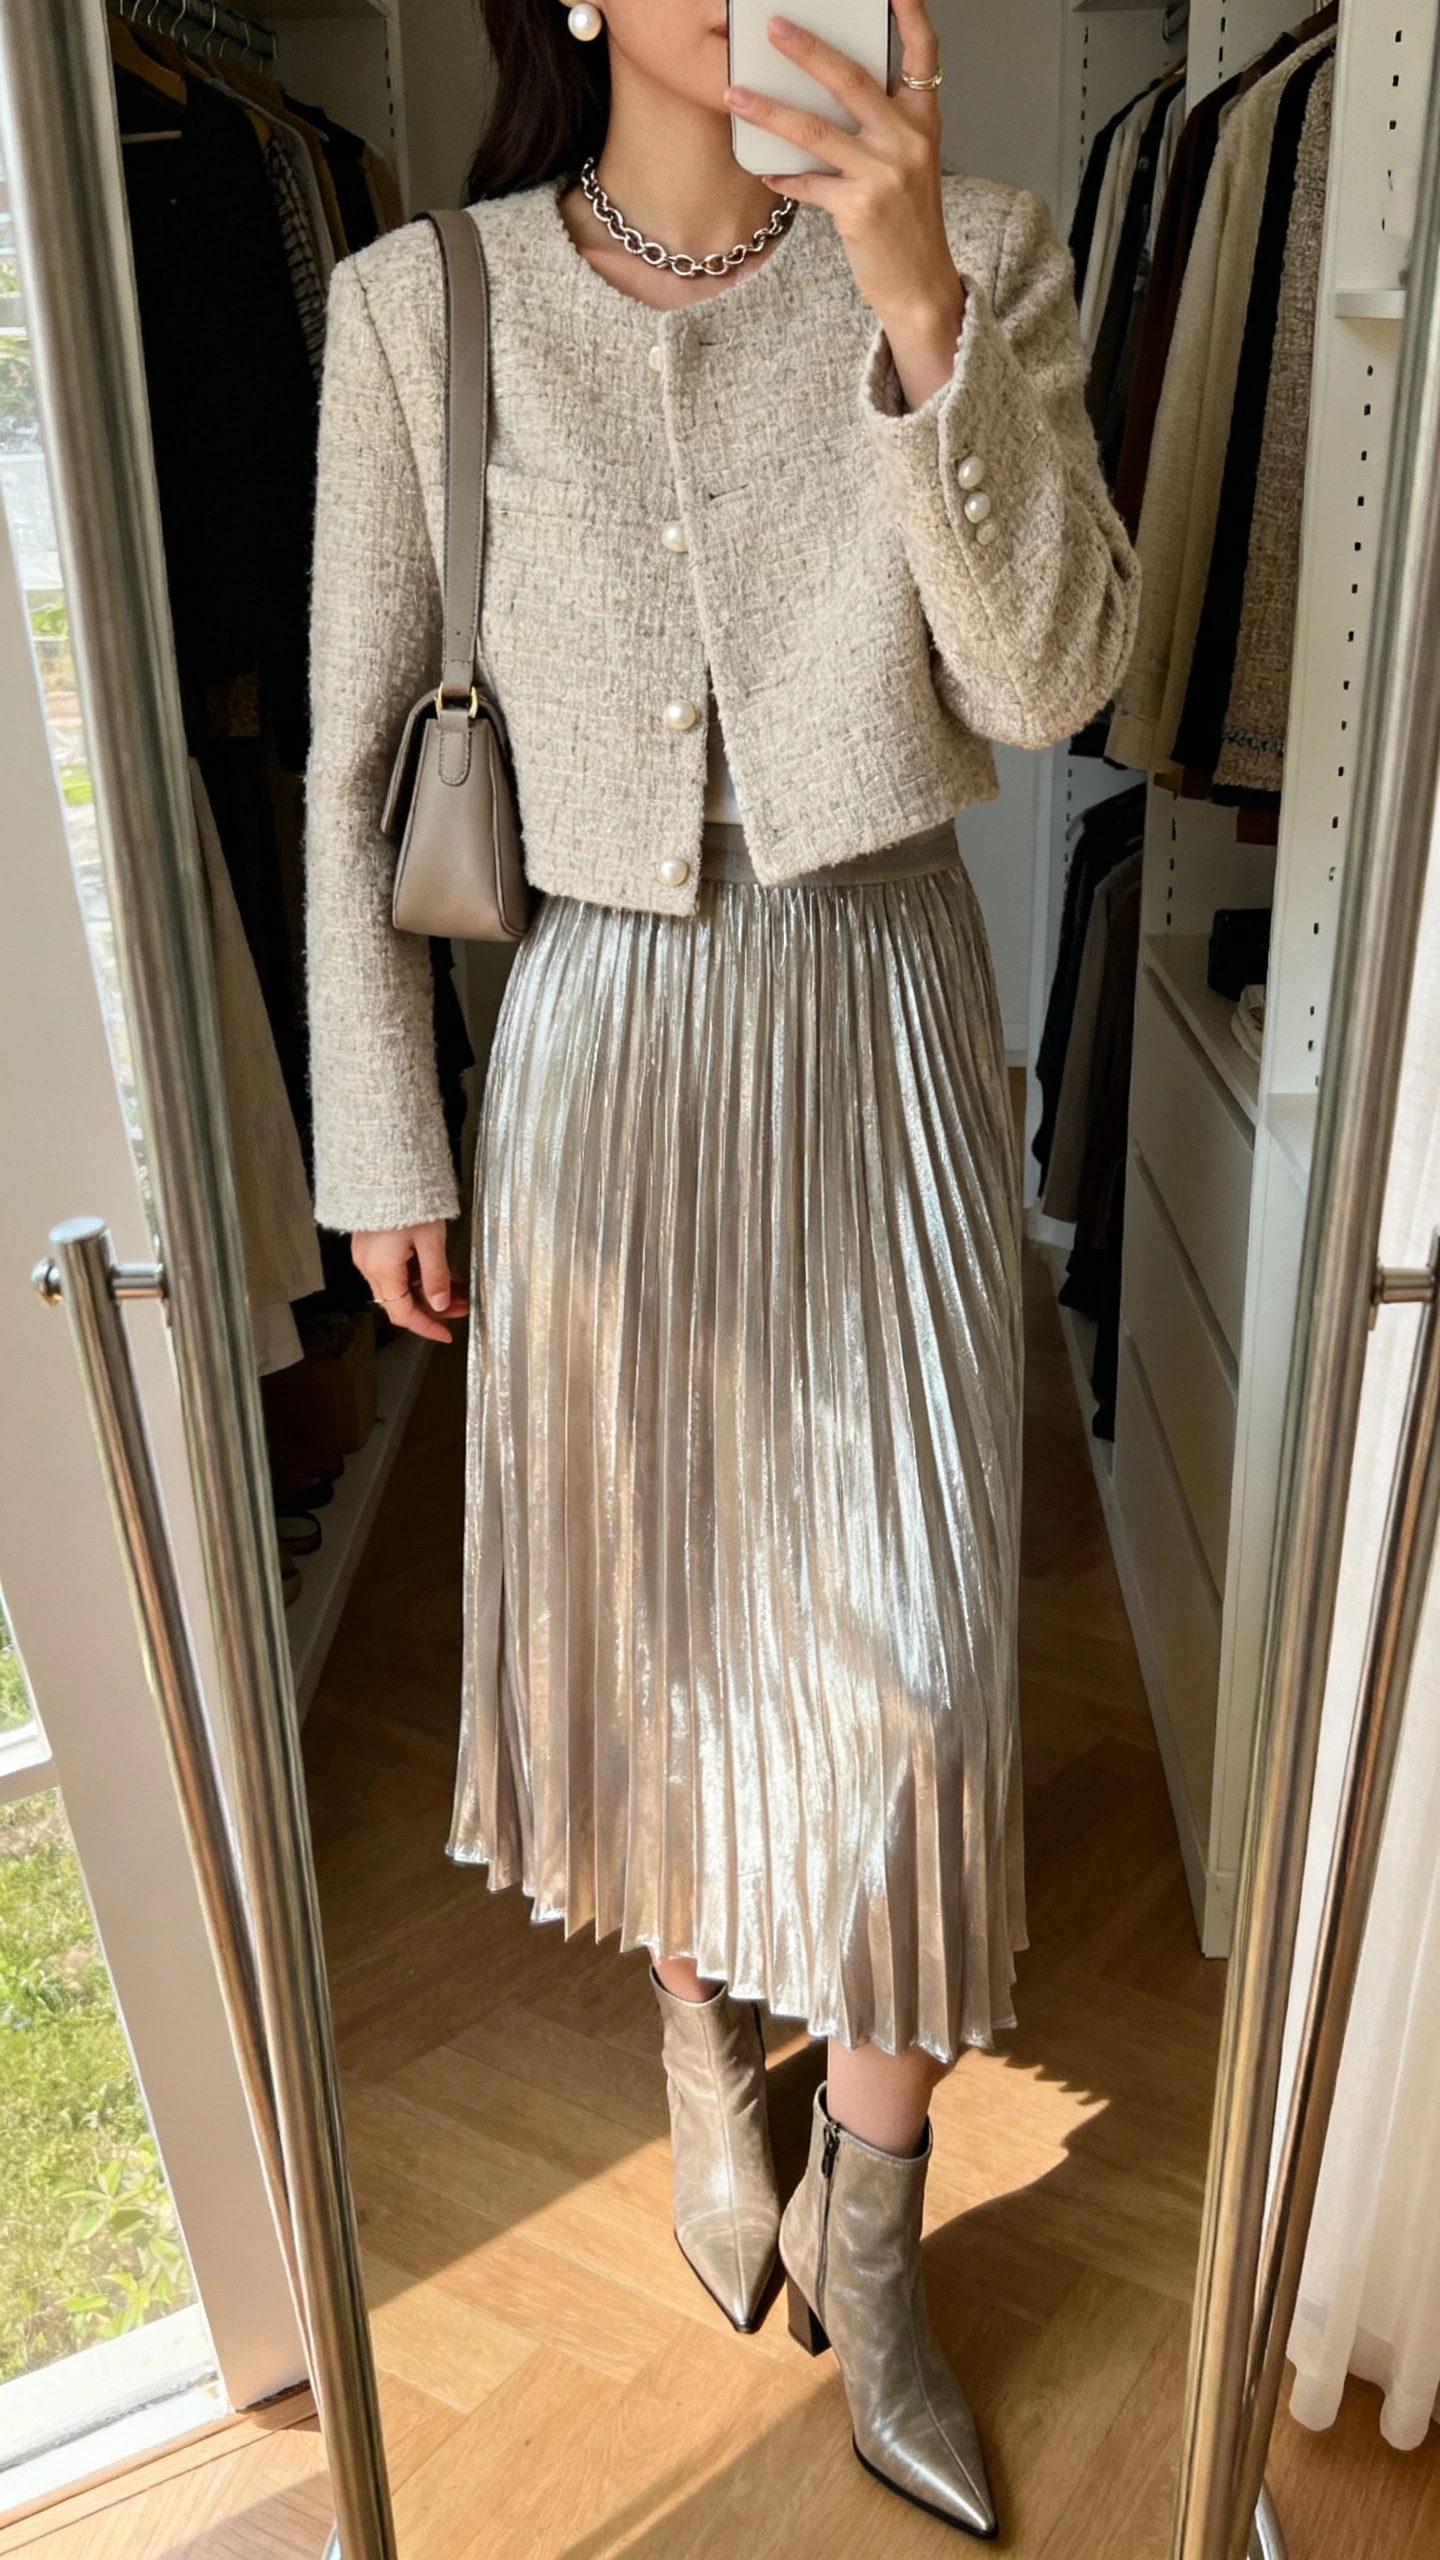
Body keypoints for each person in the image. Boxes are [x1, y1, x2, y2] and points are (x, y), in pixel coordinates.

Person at [305, 1, 1137, 2533]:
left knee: (918, 1674)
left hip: (883, 1023)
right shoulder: (419, 309)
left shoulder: (981, 249)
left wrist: (914, 304)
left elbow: (1055, 676)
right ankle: (700, 2038)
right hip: (600, 1044)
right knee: (657, 1628)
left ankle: (875, 2240)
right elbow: (352, 759)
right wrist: (383, 1137)